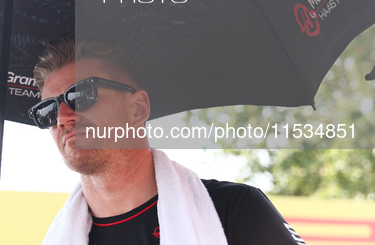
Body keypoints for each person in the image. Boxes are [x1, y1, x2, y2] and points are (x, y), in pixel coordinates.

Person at [30, 34, 306, 245]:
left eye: (80, 95)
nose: (62, 117)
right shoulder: (59, 235)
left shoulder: (235, 210)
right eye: (47, 110)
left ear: (138, 108)